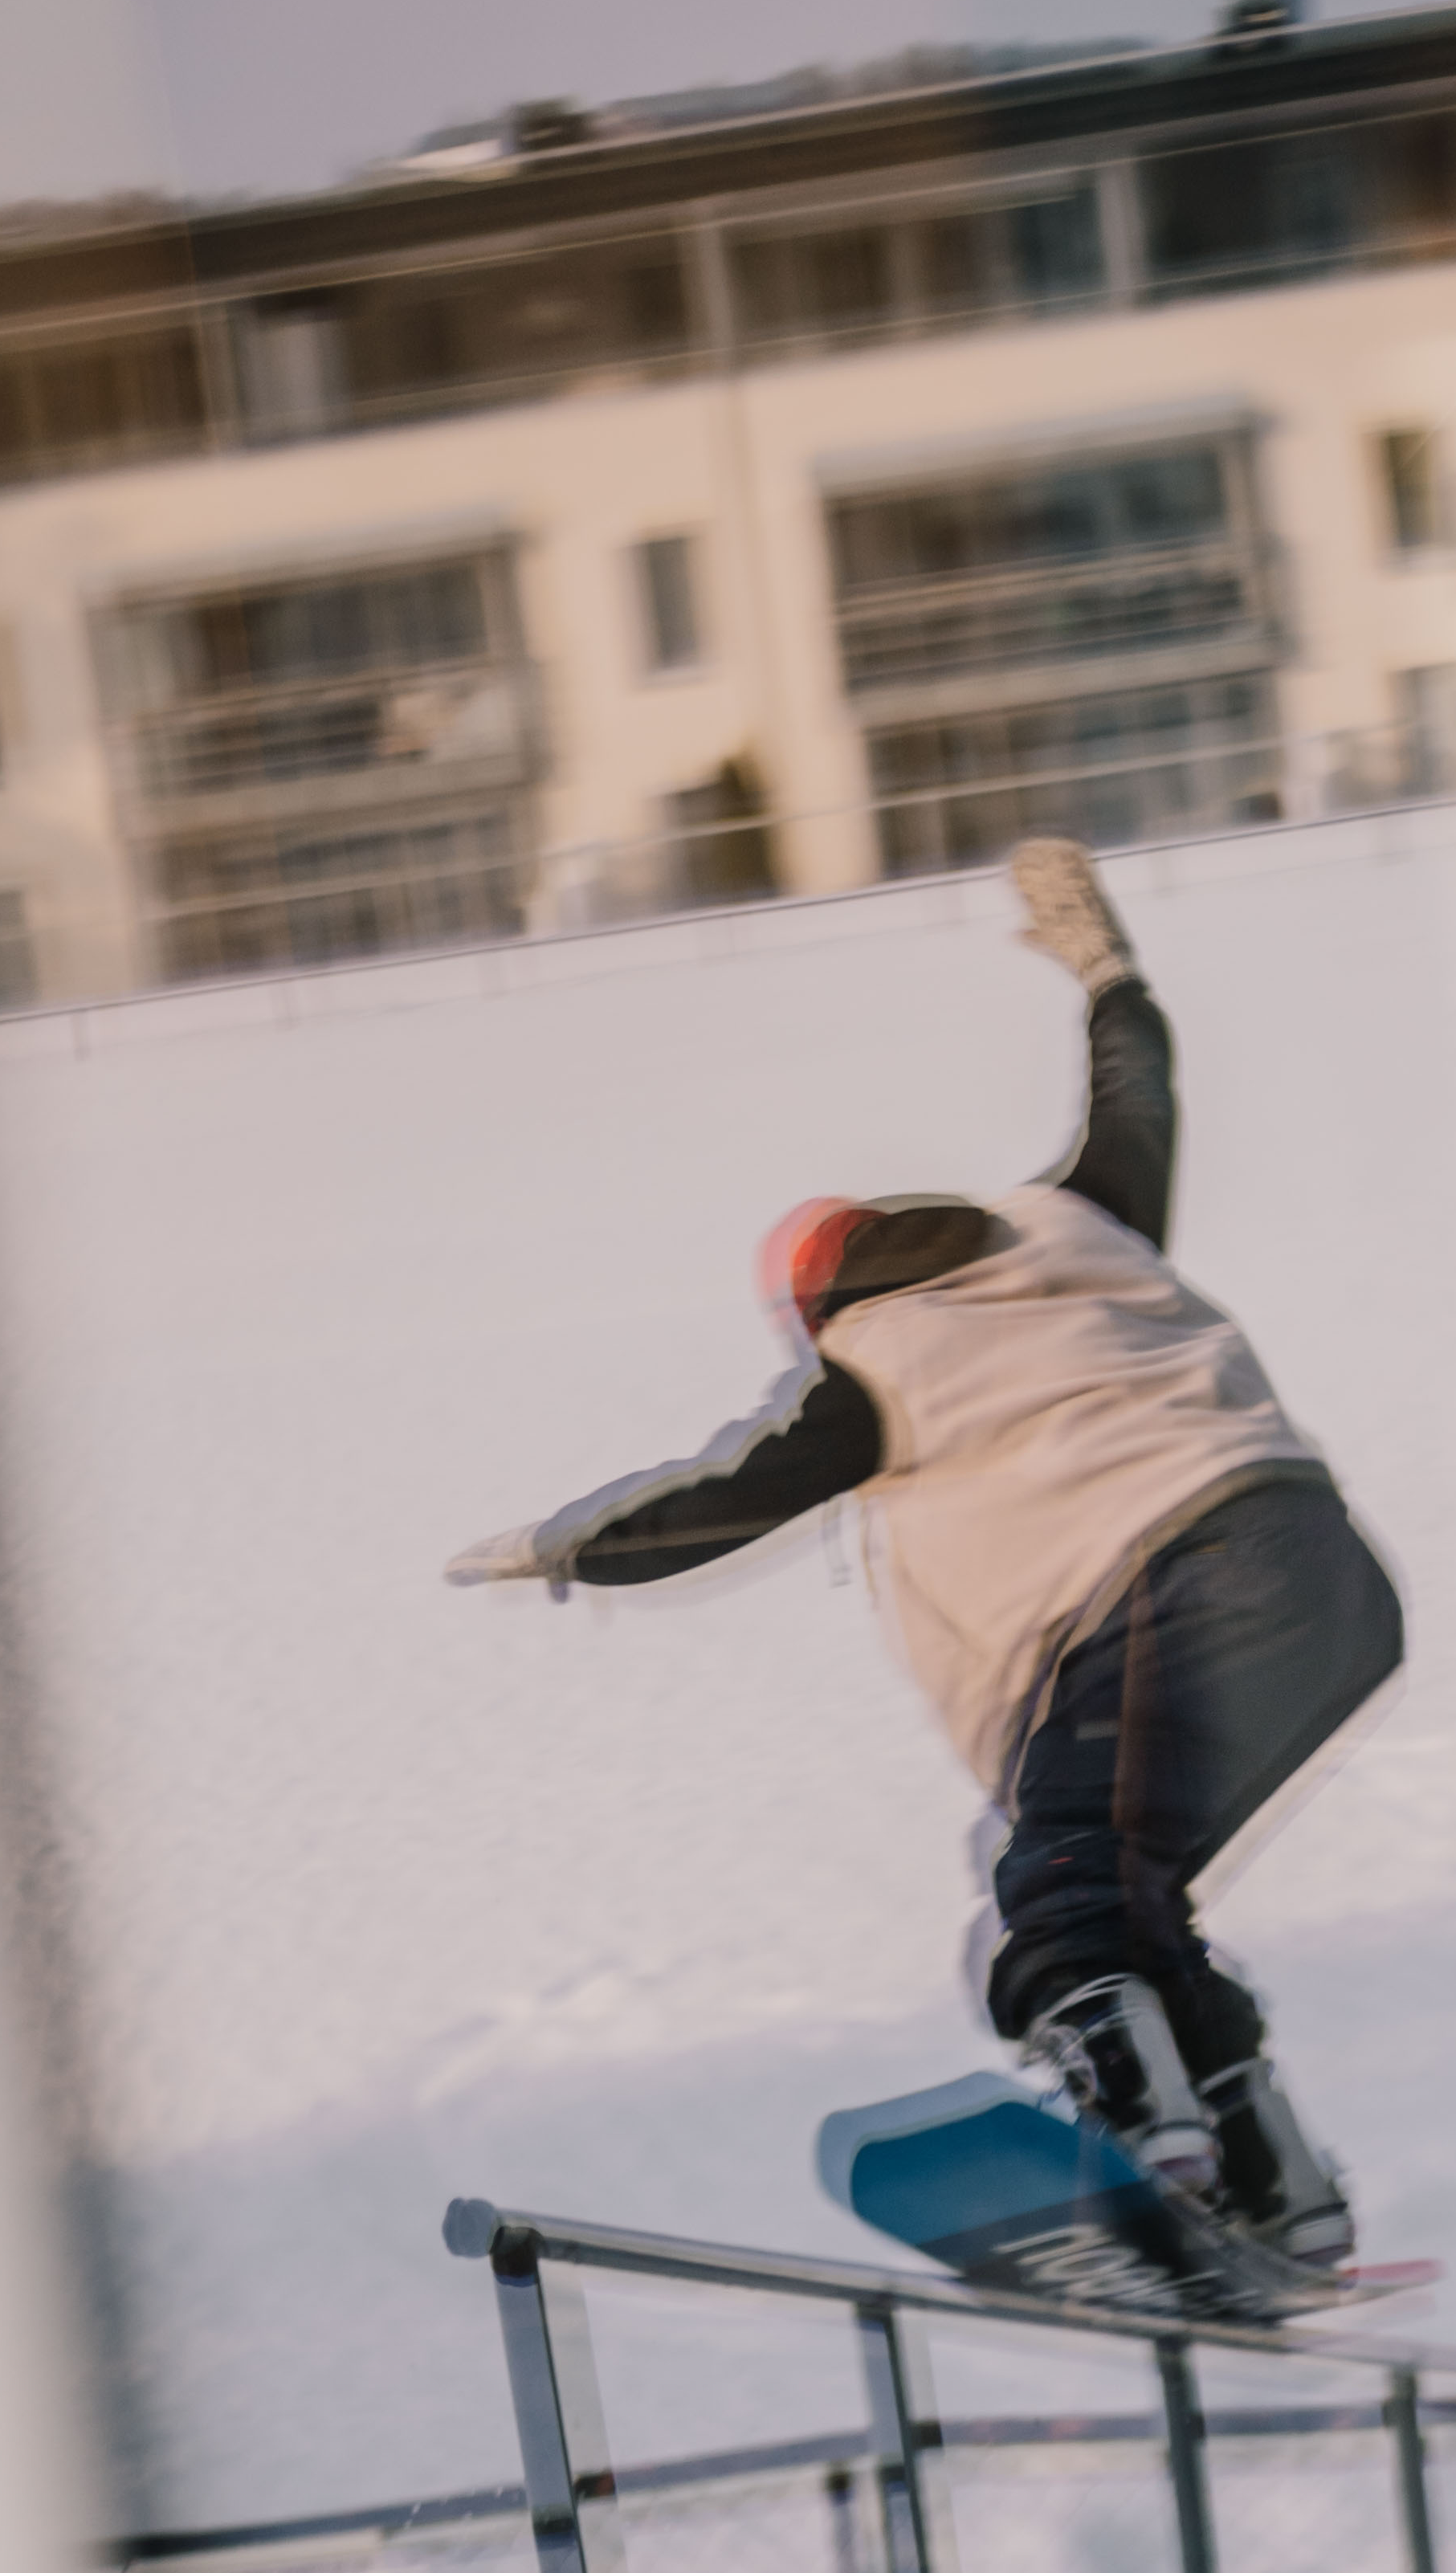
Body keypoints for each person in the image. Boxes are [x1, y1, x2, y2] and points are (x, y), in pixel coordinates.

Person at [447, 838, 1401, 2269]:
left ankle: (1153, 2136)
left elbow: (721, 1497)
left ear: (818, 1310)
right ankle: (1274, 2184)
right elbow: (1137, 1091)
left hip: (1170, 1589)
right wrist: (1105, 968)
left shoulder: (876, 1361)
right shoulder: (1077, 1224)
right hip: (1332, 1582)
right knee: (1130, 1897)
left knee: (1063, 1885)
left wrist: (564, 1545)